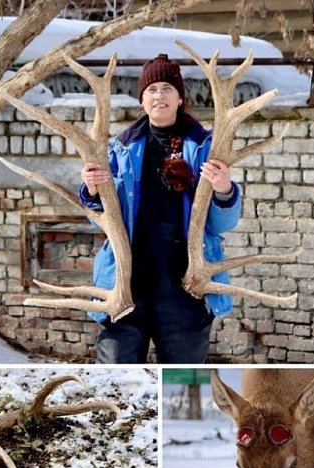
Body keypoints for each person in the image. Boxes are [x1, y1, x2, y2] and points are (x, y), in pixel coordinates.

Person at [78, 53, 242, 364]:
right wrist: (90, 188)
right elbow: (99, 214)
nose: (159, 96)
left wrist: (224, 188)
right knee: (116, 370)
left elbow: (222, 224)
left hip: (184, 285)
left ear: (180, 98)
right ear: (142, 99)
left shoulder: (206, 147)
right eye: (151, 90)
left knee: (183, 373)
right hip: (126, 281)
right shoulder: (120, 148)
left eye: (167, 88)